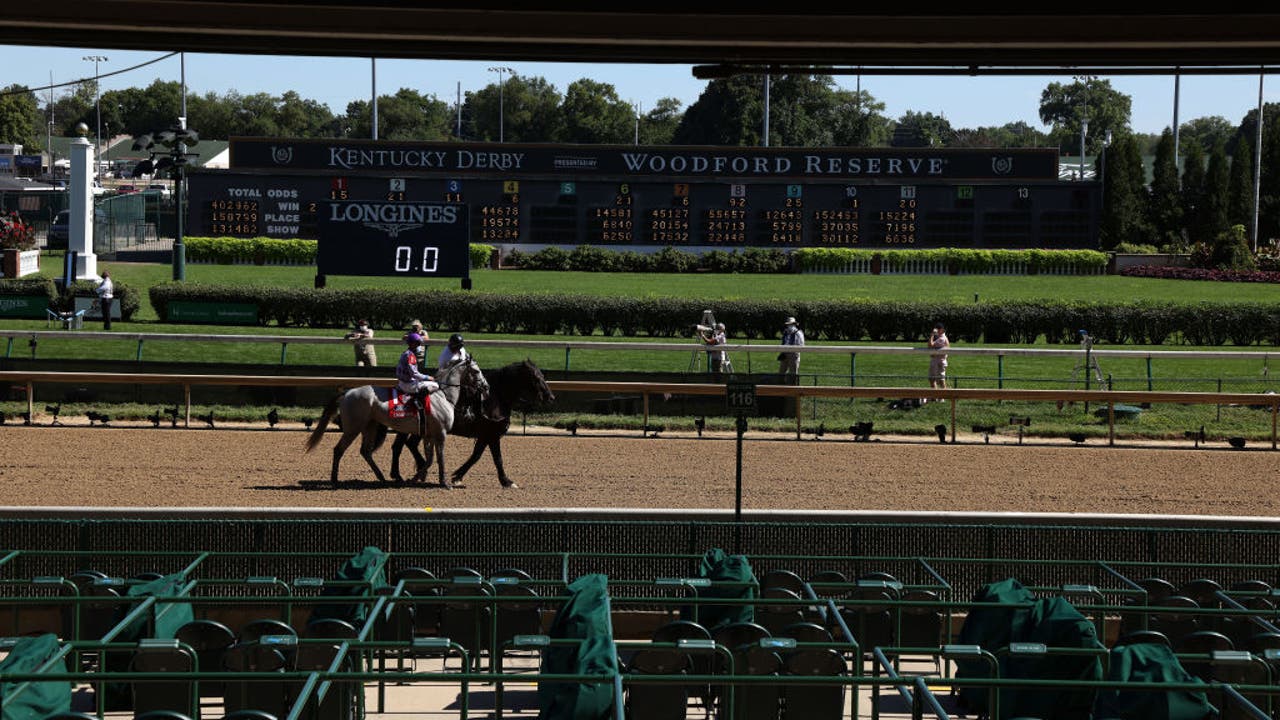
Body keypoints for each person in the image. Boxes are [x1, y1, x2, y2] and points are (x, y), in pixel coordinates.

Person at [396, 333, 438, 411]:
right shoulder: (410, 356)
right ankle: (416, 402)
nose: (419, 346)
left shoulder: (405, 353)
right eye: (418, 344)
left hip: (402, 382)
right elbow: (414, 374)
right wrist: (429, 377)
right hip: (408, 385)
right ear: (412, 344)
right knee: (435, 385)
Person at [928, 322, 951, 394]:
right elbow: (948, 346)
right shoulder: (944, 337)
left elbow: (930, 345)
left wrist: (932, 335)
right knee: (941, 379)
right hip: (942, 360)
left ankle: (937, 396)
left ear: (940, 330)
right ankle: (942, 396)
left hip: (936, 361)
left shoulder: (941, 338)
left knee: (933, 379)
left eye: (937, 329)